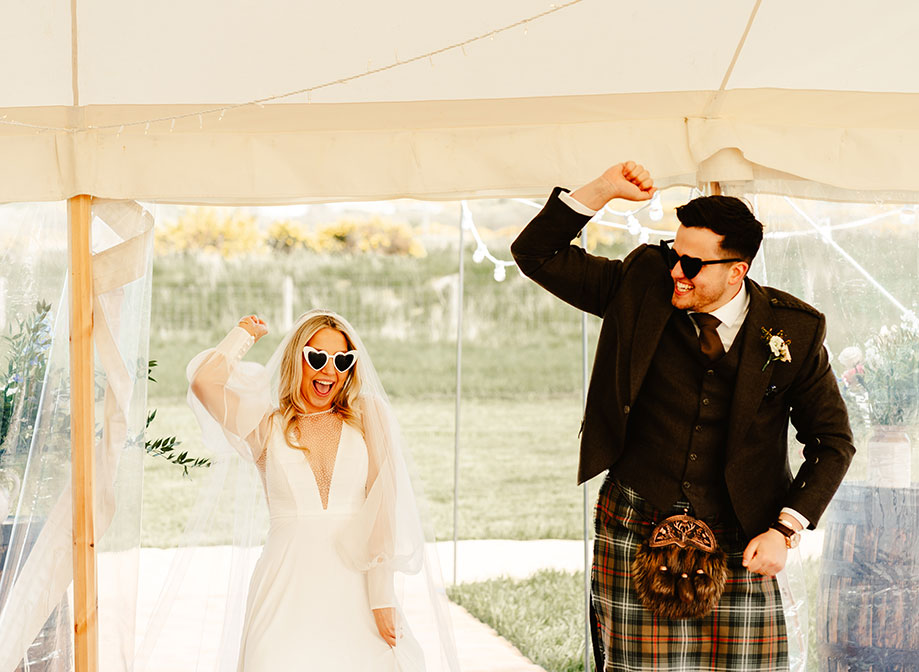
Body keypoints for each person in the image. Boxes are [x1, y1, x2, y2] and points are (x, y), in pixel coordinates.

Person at [511, 162, 855, 671]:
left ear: (737, 269)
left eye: (693, 264)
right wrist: (603, 190)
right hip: (637, 517)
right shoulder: (641, 284)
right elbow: (536, 254)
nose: (677, 270)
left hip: (743, 535)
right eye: (675, 254)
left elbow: (832, 441)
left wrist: (784, 529)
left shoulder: (794, 329)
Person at [187, 309, 452, 672]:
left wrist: (381, 597)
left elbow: (383, 507)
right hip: (283, 590)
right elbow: (204, 383)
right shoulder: (265, 425)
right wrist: (245, 334)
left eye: (342, 360)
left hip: (356, 591)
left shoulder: (369, 416)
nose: (330, 370)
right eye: (317, 357)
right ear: (297, 358)